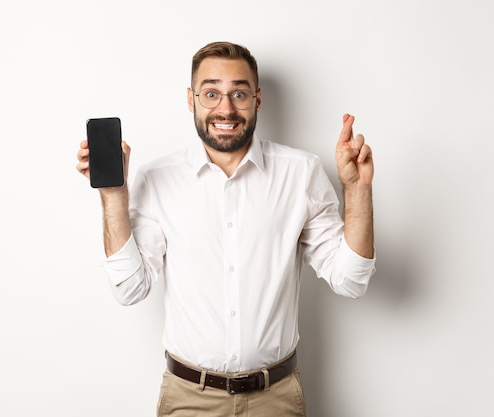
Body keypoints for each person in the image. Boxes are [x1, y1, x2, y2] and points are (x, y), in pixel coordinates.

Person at [76, 41, 375, 417]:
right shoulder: (158, 179)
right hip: (189, 399)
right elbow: (130, 289)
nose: (226, 108)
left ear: (257, 99)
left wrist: (357, 190)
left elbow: (351, 281)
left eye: (239, 93)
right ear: (191, 99)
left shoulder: (301, 173)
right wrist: (114, 196)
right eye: (212, 93)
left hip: (276, 399)